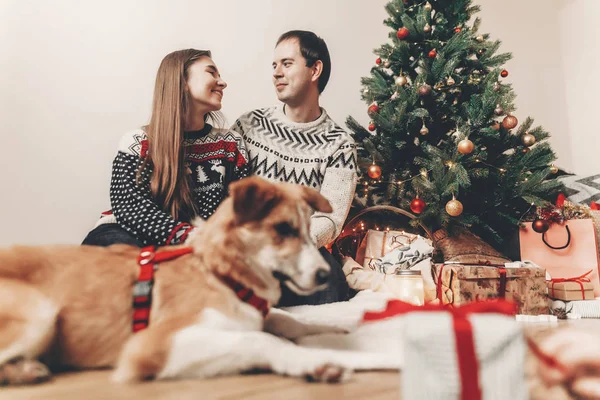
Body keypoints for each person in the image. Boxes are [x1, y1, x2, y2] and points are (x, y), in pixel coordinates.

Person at [232, 30, 358, 306]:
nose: (276, 73)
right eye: (274, 65)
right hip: (246, 245)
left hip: (300, 248)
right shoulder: (248, 125)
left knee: (331, 283)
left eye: (287, 64)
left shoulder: (339, 144)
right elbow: (227, 192)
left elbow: (330, 218)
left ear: (315, 70)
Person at [83, 49, 249, 247]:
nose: (222, 82)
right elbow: (131, 208)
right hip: (129, 233)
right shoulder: (138, 142)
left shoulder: (230, 143)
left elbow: (242, 210)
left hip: (203, 243)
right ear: (182, 82)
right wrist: (193, 237)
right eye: (211, 73)